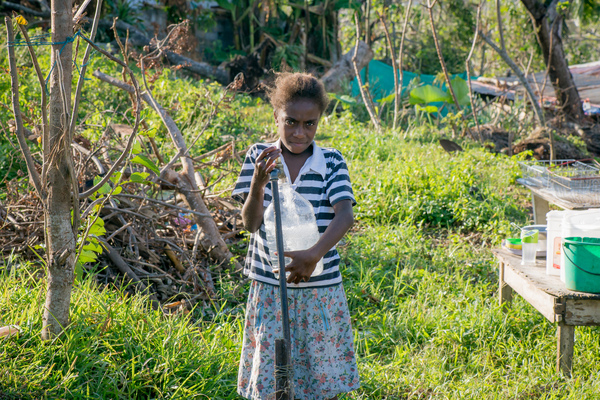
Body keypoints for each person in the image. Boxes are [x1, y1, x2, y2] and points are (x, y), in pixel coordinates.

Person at [232, 72, 360, 400]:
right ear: (276, 116)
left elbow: (344, 215)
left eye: (309, 124)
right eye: (290, 122)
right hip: (271, 286)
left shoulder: (330, 161)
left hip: (319, 287)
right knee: (275, 377)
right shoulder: (259, 157)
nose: (300, 132)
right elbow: (250, 223)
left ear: (319, 122)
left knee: (322, 376)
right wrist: (259, 182)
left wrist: (313, 254)